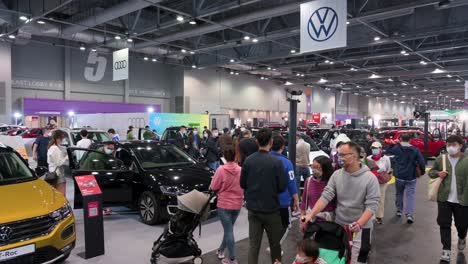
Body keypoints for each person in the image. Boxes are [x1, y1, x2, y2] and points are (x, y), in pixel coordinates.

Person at [302, 142, 380, 264]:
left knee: (358, 260)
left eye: (343, 155)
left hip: (361, 228)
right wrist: (310, 215)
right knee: (341, 258)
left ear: (354, 156)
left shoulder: (370, 178)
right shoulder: (337, 175)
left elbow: (372, 205)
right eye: (338, 155)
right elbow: (326, 196)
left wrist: (359, 223)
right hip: (340, 226)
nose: (339, 158)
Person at [240, 128, 287, 264]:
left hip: (253, 209)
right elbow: (282, 187)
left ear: (256, 142)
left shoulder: (248, 161)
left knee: (253, 246)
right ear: (271, 142)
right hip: (271, 210)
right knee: (275, 245)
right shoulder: (277, 162)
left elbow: (242, 184)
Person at [429, 135, 468, 262]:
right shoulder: (441, 159)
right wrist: (437, 173)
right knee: (444, 223)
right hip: (444, 198)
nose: (451, 147)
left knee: (462, 224)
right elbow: (431, 172)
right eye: (449, 145)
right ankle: (446, 250)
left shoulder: (466, 160)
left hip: (463, 199)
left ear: (460, 145)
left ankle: (462, 237)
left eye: (454, 145)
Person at [210, 146, 244, 264]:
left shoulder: (221, 170)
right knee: (228, 230)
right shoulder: (241, 170)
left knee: (228, 231)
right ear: (235, 156)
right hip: (237, 204)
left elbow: (213, 187)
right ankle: (220, 250)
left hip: (224, 205)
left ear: (224, 156)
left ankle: (233, 259)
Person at [386, 133, 425, 224]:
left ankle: (399, 210)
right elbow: (421, 162)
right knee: (410, 195)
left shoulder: (397, 148)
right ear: (410, 140)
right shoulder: (415, 150)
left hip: (399, 176)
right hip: (411, 176)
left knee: (399, 193)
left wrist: (392, 143)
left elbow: (387, 151)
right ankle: (409, 214)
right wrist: (422, 172)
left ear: (400, 139)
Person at [270, 135, 299, 251]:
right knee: (286, 225)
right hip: (282, 200)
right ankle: (275, 246)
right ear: (283, 147)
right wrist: (296, 199)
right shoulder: (287, 163)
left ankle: (273, 244)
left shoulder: (264, 159)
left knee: (271, 225)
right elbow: (291, 183)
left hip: (266, 201)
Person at [301, 156, 336, 222]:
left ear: (326, 168)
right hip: (311, 219)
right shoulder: (309, 181)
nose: (314, 169)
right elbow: (304, 201)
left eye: (318, 167)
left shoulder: (332, 182)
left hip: (328, 220)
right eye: (312, 166)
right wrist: (302, 218)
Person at [368, 142, 392, 225]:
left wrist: (380, 173)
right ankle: (371, 215)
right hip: (370, 182)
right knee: (370, 199)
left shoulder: (386, 159)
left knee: (381, 199)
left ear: (380, 149)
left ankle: (379, 216)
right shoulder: (368, 158)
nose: (374, 150)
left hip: (381, 182)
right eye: (373, 148)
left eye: (376, 148)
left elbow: (388, 169)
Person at [47, 130, 69, 195]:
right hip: (58, 174)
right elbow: (59, 163)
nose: (62, 140)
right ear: (58, 138)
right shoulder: (55, 148)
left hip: (53, 172)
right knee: (61, 196)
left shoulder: (52, 147)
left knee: (55, 195)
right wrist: (67, 157)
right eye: (62, 138)